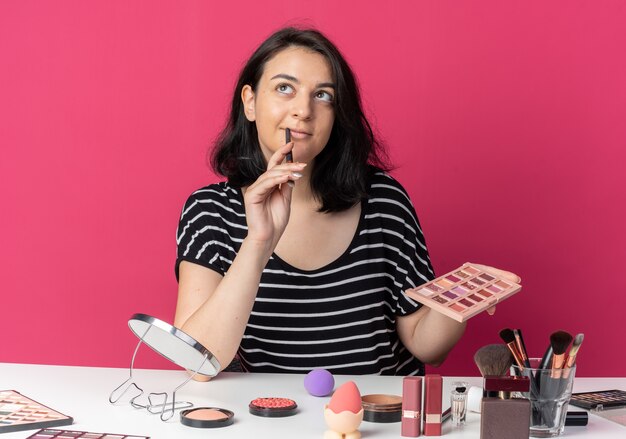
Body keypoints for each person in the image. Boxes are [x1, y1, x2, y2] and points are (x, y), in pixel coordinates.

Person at [174, 27, 514, 378]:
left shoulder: (383, 199)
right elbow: (197, 364)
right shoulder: (210, 212)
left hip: (378, 421)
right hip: (271, 419)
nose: (303, 111)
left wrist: (463, 294)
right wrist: (260, 240)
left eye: (323, 95)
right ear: (250, 102)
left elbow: (427, 346)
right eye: (284, 88)